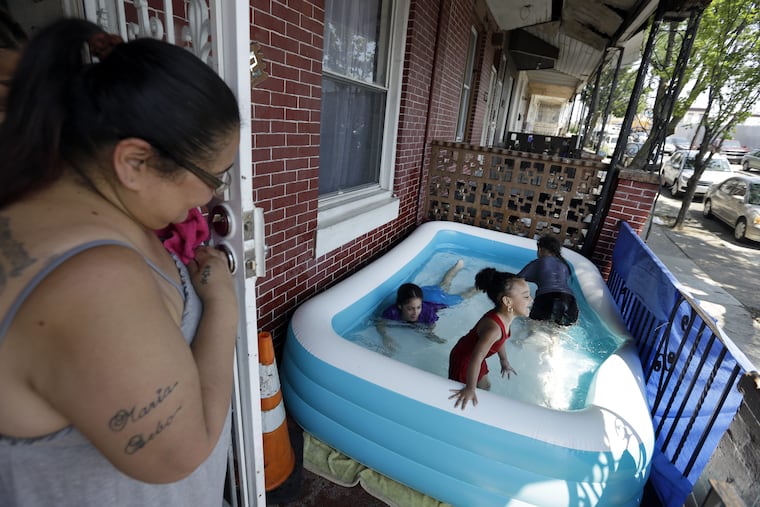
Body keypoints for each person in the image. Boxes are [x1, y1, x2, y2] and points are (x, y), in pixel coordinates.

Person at [0, 18, 241, 507]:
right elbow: (183, 450)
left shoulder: (64, 206)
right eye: (215, 176)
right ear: (134, 163)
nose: (213, 195)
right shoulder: (90, 285)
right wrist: (223, 308)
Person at [448, 268, 532, 410]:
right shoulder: (493, 329)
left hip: (474, 357)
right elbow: (476, 358)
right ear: (507, 301)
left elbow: (499, 342)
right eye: (526, 296)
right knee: (464, 398)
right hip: (465, 361)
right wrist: (470, 388)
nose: (531, 300)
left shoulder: (504, 319)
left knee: (485, 387)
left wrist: (504, 360)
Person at [376, 259, 475, 352]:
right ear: (400, 306)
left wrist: (429, 333)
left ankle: (470, 279)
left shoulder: (426, 312)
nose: (415, 313)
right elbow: (380, 323)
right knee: (443, 284)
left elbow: (432, 324)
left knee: (462, 295)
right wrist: (385, 337)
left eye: (418, 308)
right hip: (419, 294)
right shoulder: (392, 312)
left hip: (437, 299)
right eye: (410, 309)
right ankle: (457, 268)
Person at [518, 234, 579, 326]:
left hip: (547, 300)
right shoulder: (564, 266)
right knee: (557, 333)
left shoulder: (538, 262)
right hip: (570, 303)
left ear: (540, 249)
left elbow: (516, 280)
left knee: (532, 328)